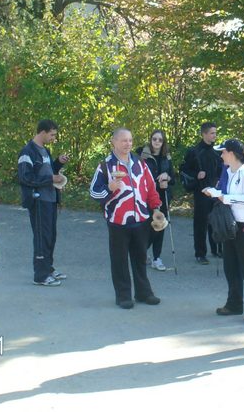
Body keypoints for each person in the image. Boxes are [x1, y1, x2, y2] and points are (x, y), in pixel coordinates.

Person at [90, 127, 162, 309]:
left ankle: (144, 293)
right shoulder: (105, 166)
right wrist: (109, 188)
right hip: (118, 221)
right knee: (119, 260)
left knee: (140, 258)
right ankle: (123, 296)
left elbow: (150, 187)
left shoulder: (140, 163)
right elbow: (93, 192)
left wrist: (155, 208)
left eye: (130, 140)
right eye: (123, 140)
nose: (127, 144)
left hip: (141, 219)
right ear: (113, 142)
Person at [205, 138, 244, 324]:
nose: (221, 155)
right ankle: (234, 303)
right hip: (229, 224)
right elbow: (226, 194)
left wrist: (227, 198)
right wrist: (216, 193)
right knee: (230, 266)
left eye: (223, 152)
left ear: (231, 153)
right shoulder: (229, 171)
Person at [17, 119, 69, 287]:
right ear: (43, 132)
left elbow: (49, 170)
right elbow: (25, 178)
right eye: (52, 135)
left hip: (50, 199)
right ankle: (40, 275)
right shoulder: (27, 152)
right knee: (42, 237)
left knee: (50, 236)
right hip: (38, 201)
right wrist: (51, 178)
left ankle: (48, 269)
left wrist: (58, 162)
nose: (54, 138)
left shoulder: (45, 151)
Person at [183, 122, 223, 263]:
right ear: (204, 134)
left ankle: (217, 249)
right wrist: (196, 176)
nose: (214, 136)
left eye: (215, 133)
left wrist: (220, 181)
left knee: (216, 221)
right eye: (212, 133)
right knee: (201, 223)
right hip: (201, 192)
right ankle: (200, 253)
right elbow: (184, 171)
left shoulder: (218, 151)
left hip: (215, 192)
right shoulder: (194, 152)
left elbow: (222, 170)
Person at [139, 130, 175, 271]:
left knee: (161, 225)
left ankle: (156, 258)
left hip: (163, 195)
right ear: (151, 140)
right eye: (154, 139)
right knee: (149, 227)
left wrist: (167, 177)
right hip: (147, 196)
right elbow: (140, 178)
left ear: (163, 141)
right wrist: (156, 181)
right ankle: (142, 251)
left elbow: (173, 177)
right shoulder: (143, 156)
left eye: (160, 139)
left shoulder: (167, 156)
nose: (157, 142)